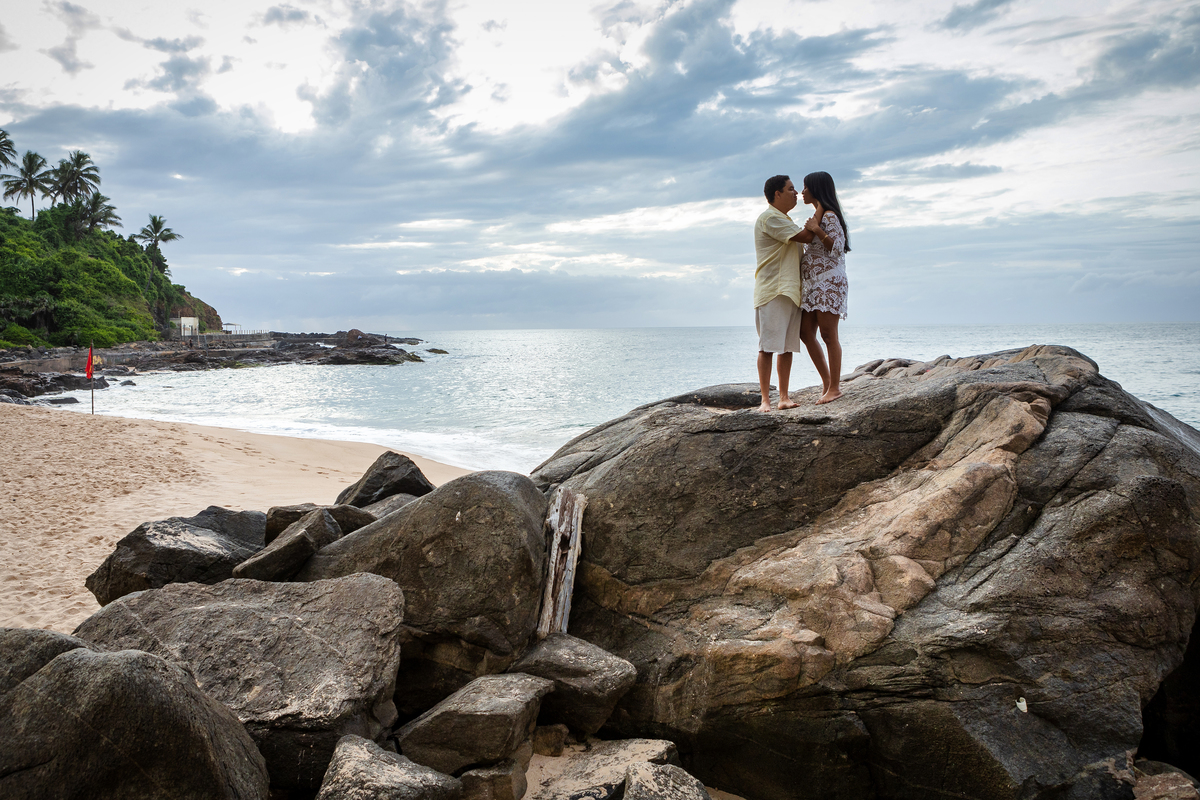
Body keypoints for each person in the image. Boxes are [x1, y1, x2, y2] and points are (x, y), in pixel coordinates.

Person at [754, 175, 817, 412]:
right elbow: (807, 236)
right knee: (767, 346)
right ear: (777, 194)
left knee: (787, 346)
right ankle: (765, 400)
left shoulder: (784, 219)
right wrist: (821, 209)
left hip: (790, 290)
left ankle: (783, 397)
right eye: (790, 189)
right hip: (773, 290)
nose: (795, 193)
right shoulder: (770, 218)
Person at [798, 171, 850, 405]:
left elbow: (838, 248)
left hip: (829, 282)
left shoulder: (829, 216)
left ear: (816, 189)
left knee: (829, 335)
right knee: (805, 332)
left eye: (806, 187)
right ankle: (827, 382)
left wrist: (818, 229)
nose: (802, 191)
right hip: (814, 285)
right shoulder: (820, 214)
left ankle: (835, 388)